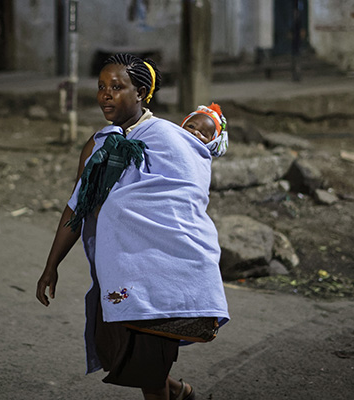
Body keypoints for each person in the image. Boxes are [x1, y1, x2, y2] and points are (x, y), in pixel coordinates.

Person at [36, 53, 229, 400]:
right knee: (125, 357)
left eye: (117, 87)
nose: (106, 94)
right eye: (101, 87)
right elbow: (77, 205)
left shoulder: (171, 139)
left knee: (147, 365)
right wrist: (51, 265)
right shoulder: (96, 145)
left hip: (164, 271)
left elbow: (186, 202)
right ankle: (182, 392)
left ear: (140, 92)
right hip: (121, 271)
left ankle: (175, 392)